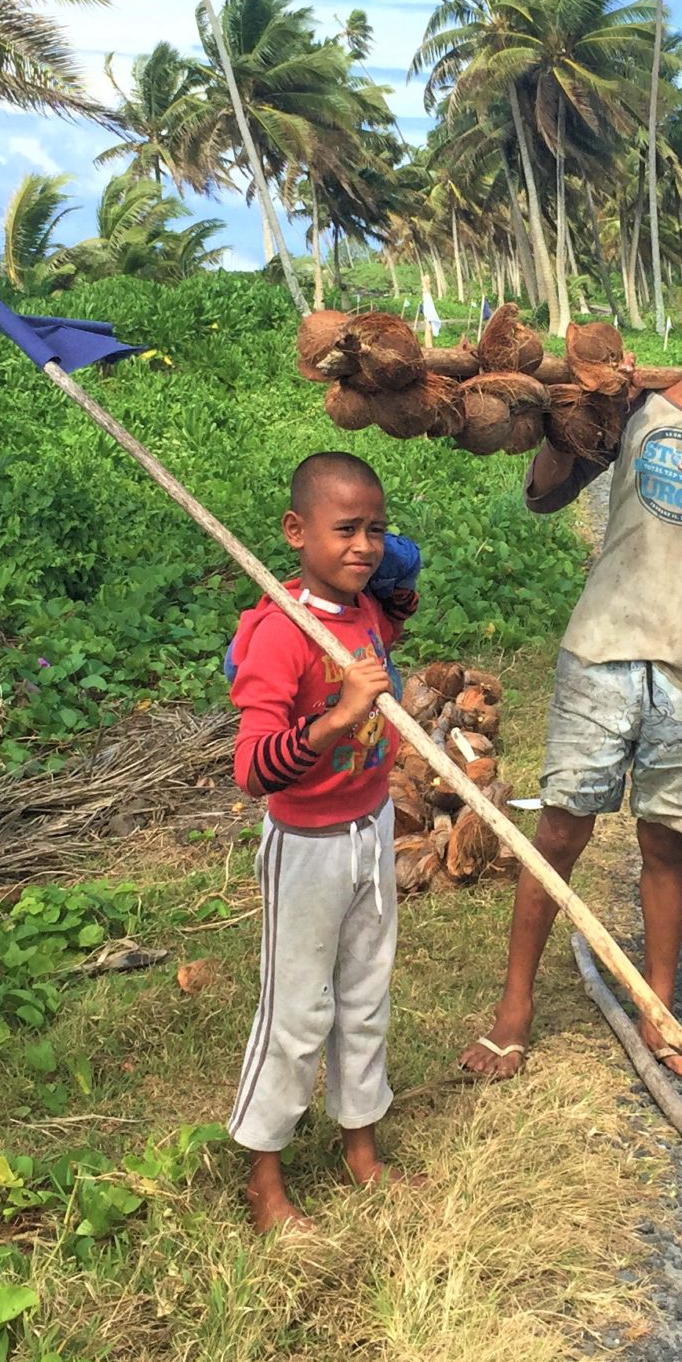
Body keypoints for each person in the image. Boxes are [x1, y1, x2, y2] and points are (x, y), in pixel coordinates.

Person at [459, 252, 682, 1087]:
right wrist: (574, 421)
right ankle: (513, 1010)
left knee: (666, 845)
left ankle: (659, 1011)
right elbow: (545, 493)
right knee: (560, 830)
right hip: (603, 649)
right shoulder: (635, 409)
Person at [225, 451, 422, 1233]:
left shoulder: (368, 608)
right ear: (294, 531)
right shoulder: (282, 632)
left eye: (375, 529)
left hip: (370, 828)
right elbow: (252, 769)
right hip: (305, 846)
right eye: (345, 530)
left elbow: (405, 575)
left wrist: (384, 558)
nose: (364, 547)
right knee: (297, 1011)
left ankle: (360, 1147)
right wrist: (338, 716)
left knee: (365, 996)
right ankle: (264, 1177)